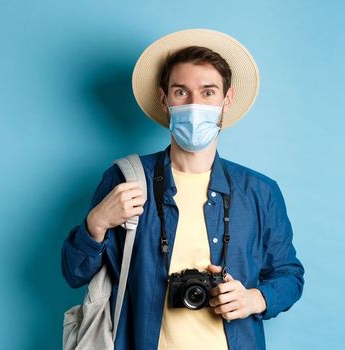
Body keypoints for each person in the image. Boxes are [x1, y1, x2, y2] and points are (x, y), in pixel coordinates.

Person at [61, 29, 304, 350]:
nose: (194, 104)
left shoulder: (260, 192)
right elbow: (74, 274)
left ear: (226, 100)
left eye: (207, 92)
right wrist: (96, 224)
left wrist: (255, 298)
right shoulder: (127, 179)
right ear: (164, 98)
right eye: (181, 92)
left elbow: (289, 274)